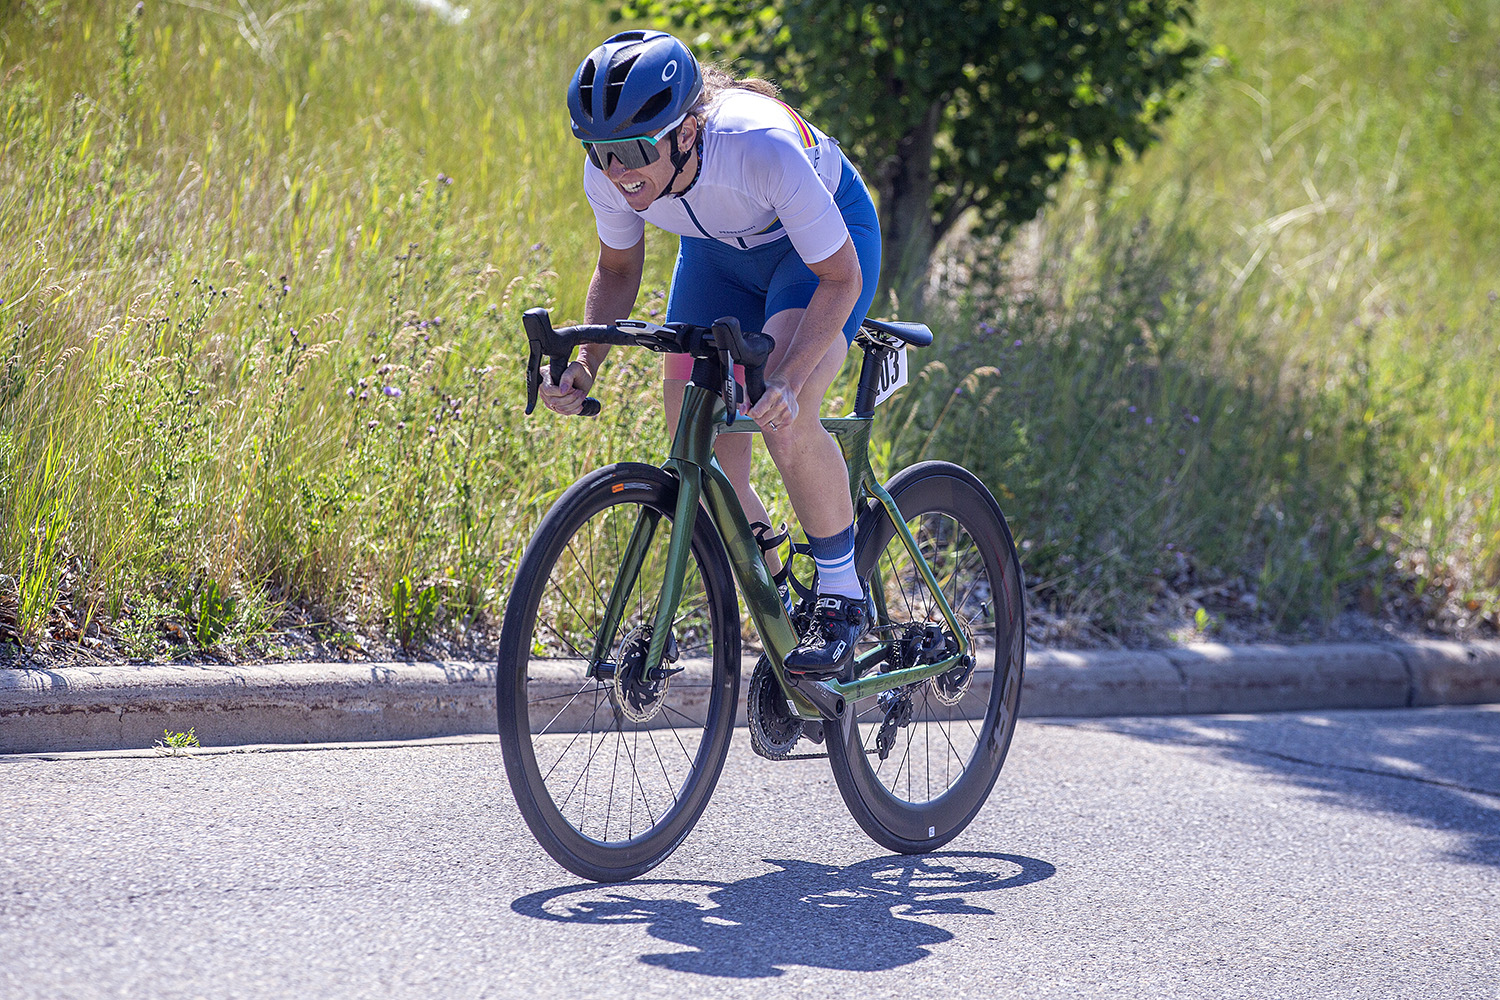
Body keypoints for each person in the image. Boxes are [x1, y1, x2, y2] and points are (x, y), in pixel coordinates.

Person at [538, 29, 882, 678]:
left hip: (816, 253)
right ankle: (781, 600)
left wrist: (790, 379)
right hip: (717, 258)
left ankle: (841, 595)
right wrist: (584, 364)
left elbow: (840, 279)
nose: (617, 171)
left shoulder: (759, 147)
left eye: (633, 151)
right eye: (599, 152)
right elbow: (617, 271)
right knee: (695, 435)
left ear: (688, 133)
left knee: (783, 410)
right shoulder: (611, 172)